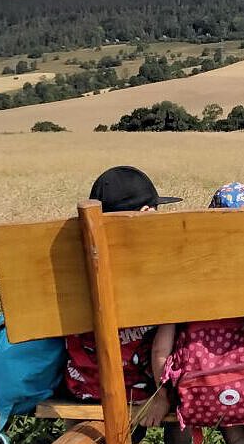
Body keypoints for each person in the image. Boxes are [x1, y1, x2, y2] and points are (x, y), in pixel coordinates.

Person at [144, 182, 244, 444]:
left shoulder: (188, 275)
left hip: (194, 383)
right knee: (240, 383)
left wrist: (162, 393)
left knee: (187, 396)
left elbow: (162, 348)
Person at [63, 166, 182, 405]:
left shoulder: (71, 263)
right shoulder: (158, 265)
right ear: (146, 211)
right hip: (147, 390)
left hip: (82, 386)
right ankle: (179, 442)